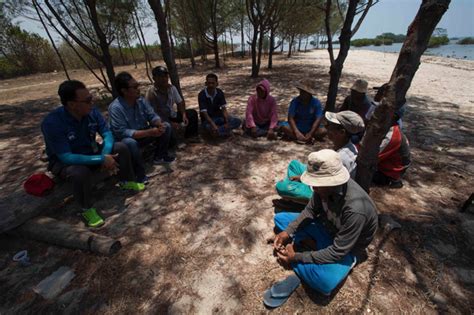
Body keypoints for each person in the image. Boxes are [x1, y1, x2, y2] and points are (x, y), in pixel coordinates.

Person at [272, 149, 378, 297]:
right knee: (281, 219)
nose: (313, 188)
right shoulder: (322, 188)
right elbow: (309, 211)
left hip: (344, 248)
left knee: (324, 283)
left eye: (318, 184)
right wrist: (288, 232)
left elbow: (337, 251)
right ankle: (310, 248)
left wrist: (296, 257)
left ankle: (308, 253)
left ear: (333, 182)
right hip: (326, 227)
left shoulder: (355, 210)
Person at [41, 80, 145, 228]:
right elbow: (66, 156)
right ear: (72, 104)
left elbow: (107, 134)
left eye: (92, 98)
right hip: (66, 163)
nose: (92, 102)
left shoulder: (91, 112)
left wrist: (105, 154)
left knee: (121, 147)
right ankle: (86, 208)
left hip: (92, 152)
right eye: (88, 100)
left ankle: (126, 181)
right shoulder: (52, 123)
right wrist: (101, 158)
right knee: (79, 172)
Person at [275, 111, 365, 203]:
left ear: (341, 132)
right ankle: (295, 193)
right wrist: (303, 176)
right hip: (322, 177)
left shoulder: (341, 157)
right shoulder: (347, 146)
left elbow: (329, 187)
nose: (326, 128)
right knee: (294, 164)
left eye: (330, 126)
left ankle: (305, 201)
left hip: (321, 190)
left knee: (281, 186)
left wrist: (305, 179)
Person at [108, 72, 174, 184]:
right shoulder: (116, 108)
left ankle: (160, 156)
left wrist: (159, 124)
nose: (138, 89)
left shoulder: (140, 100)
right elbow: (122, 132)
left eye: (138, 85)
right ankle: (140, 174)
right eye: (134, 87)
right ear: (124, 90)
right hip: (128, 140)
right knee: (130, 142)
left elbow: (151, 115)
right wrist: (149, 132)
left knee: (166, 126)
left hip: (144, 133)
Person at [145, 66, 199, 144]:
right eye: (160, 77)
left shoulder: (172, 88)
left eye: (165, 76)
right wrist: (170, 123)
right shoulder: (151, 93)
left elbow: (180, 102)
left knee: (192, 113)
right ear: (154, 78)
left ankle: (190, 137)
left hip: (171, 115)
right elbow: (153, 114)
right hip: (159, 120)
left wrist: (183, 114)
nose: (164, 79)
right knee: (170, 139)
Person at [373, 110, 411, 188]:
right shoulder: (389, 128)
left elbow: (371, 157)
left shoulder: (392, 137)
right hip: (386, 164)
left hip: (389, 173)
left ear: (392, 117)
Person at [279, 79, 325, 144]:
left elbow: (318, 119)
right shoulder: (295, 101)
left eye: (304, 92)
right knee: (284, 127)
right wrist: (296, 132)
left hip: (310, 126)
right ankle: (303, 138)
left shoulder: (316, 103)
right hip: (297, 125)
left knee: (323, 131)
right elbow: (290, 118)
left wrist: (311, 133)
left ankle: (303, 137)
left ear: (309, 94)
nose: (301, 93)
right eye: (301, 91)